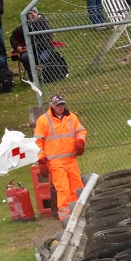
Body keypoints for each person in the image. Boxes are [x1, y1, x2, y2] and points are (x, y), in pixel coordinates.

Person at [35, 94, 87, 222]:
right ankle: (66, 218)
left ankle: (79, 213)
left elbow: (80, 131)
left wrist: (80, 142)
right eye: (58, 105)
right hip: (55, 162)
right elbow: (37, 142)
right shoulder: (43, 120)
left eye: (62, 104)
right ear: (52, 106)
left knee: (77, 186)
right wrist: (41, 161)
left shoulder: (71, 117)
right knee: (63, 189)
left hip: (71, 159)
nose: (61, 107)